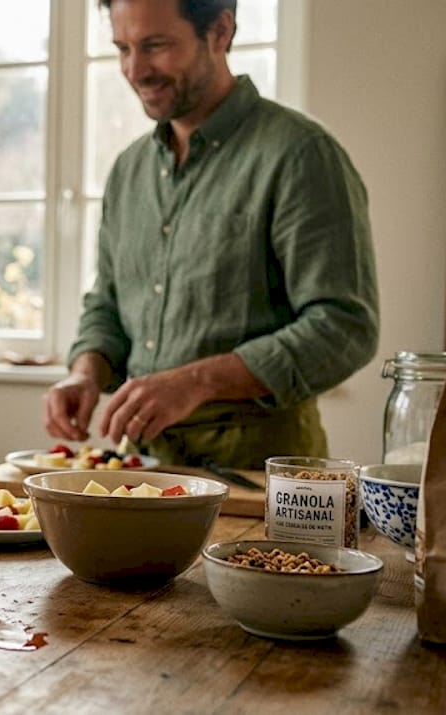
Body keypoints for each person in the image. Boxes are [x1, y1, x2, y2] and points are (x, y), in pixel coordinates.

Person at [43, 0, 377, 470]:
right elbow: (108, 306)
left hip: (264, 479)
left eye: (155, 45)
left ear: (220, 32)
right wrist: (85, 374)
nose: (135, 69)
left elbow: (345, 326)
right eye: (122, 48)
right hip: (141, 472)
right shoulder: (128, 170)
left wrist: (196, 381)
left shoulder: (301, 155)